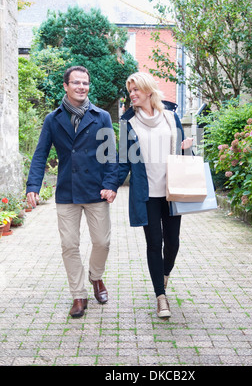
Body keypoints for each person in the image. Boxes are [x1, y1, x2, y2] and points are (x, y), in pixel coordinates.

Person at [26, 66, 118, 318]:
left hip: (96, 190)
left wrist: (111, 184)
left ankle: (96, 277)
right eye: (76, 82)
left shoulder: (101, 117)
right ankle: (78, 295)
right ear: (65, 86)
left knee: (102, 241)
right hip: (67, 191)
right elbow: (40, 154)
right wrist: (33, 186)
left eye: (85, 83)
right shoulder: (52, 119)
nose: (81, 87)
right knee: (69, 245)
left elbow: (111, 154)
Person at [118, 72, 193, 318]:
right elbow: (122, 161)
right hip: (146, 194)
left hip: (172, 191)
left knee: (173, 243)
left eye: (136, 90)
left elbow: (185, 155)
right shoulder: (128, 123)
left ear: (149, 91)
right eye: (130, 91)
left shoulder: (171, 118)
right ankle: (161, 297)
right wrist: (111, 186)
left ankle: (164, 275)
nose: (132, 95)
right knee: (154, 243)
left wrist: (188, 148)